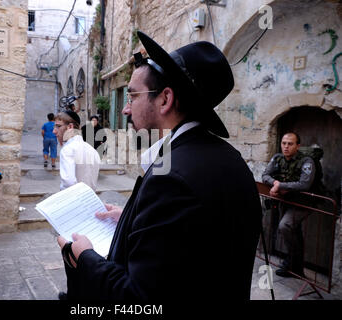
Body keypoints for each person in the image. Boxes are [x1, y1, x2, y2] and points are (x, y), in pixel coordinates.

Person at [56, 31, 262, 301]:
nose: (125, 109)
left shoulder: (172, 179)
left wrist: (85, 257)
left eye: (132, 96)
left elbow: (140, 298)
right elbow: (188, 245)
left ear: (165, 99)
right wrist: (132, 219)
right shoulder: (229, 158)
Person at [262, 132, 316, 278]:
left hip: (304, 203)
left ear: (298, 146)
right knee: (293, 231)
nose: (286, 146)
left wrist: (280, 185)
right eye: (284, 143)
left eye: (290, 144)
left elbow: (304, 184)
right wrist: (275, 184)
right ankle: (295, 266)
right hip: (287, 201)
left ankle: (292, 261)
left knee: (285, 226)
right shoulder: (278, 158)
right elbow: (265, 175)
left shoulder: (307, 161)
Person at [53, 110, 100, 191]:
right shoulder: (93, 151)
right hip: (89, 200)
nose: (54, 131)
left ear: (70, 127)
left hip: (73, 200)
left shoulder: (68, 149)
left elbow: (68, 183)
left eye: (58, 126)